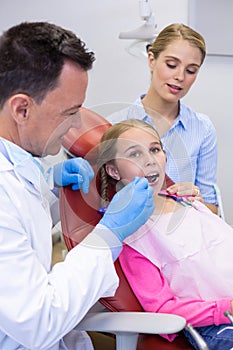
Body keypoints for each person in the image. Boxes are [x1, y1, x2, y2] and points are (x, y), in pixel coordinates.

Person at [0, 22, 155, 350]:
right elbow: (37, 320)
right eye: (69, 112)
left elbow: (23, 225)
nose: (75, 126)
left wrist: (51, 193)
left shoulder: (20, 167)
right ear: (21, 109)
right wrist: (109, 234)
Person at [97, 118, 233, 350]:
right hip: (215, 324)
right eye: (135, 154)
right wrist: (226, 309)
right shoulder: (132, 234)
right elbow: (162, 309)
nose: (150, 160)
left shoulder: (186, 200)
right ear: (113, 170)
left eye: (154, 149)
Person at [108, 23, 218, 214]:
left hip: (182, 233)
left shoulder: (202, 129)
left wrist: (197, 202)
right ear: (152, 60)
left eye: (191, 70)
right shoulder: (113, 125)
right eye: (171, 65)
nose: (180, 76)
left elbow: (211, 208)